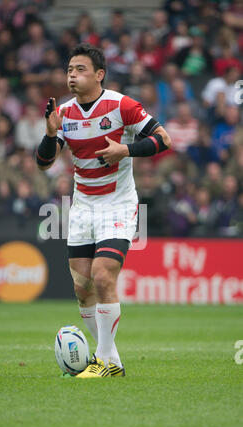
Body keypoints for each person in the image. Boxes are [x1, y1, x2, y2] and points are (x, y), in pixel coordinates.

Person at [36, 43, 171, 378]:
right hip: (82, 206)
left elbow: (163, 139)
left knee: (102, 275)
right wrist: (51, 134)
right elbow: (43, 163)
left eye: (80, 70)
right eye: (69, 70)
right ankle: (110, 359)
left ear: (99, 75)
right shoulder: (65, 114)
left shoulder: (121, 105)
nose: (72, 75)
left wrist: (125, 149)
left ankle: (105, 362)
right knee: (82, 287)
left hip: (118, 203)